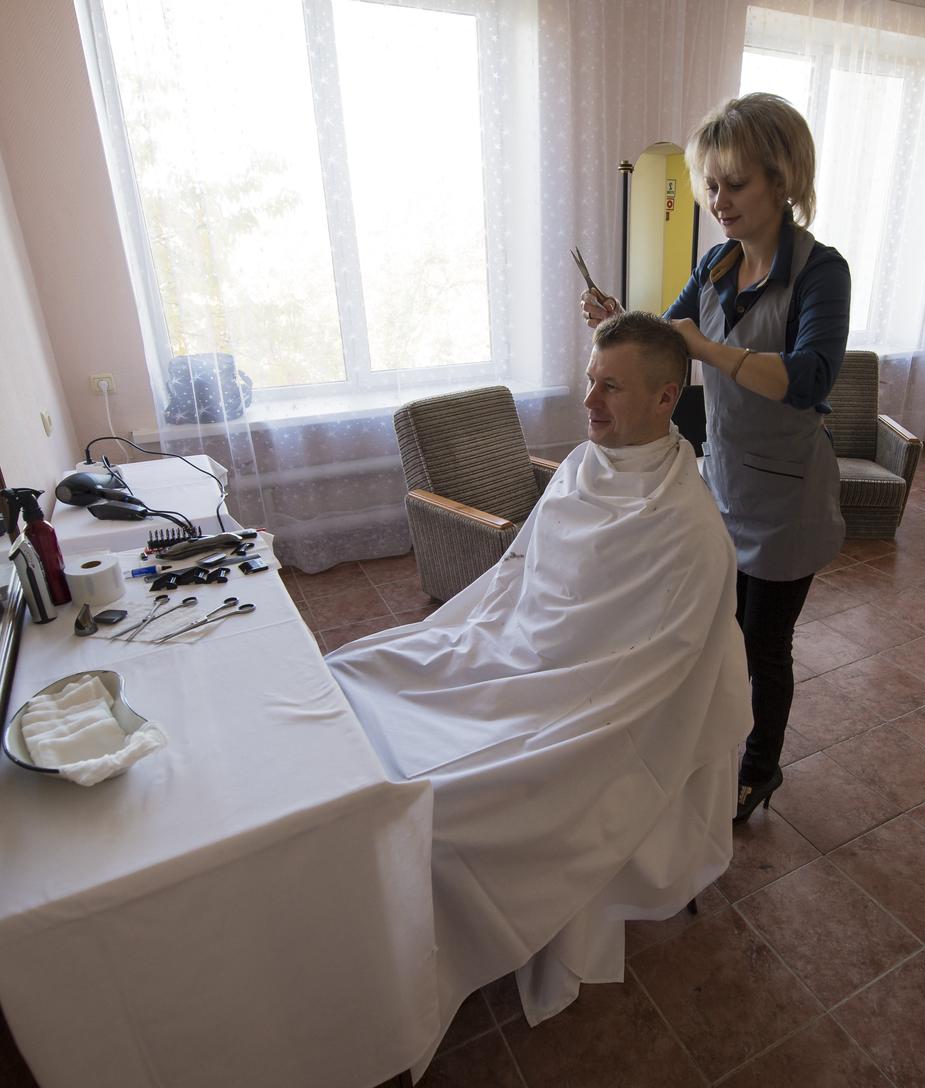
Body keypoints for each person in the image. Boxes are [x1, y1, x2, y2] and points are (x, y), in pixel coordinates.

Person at [328, 313, 751, 1068]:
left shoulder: (690, 531)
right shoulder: (583, 467)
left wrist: (554, 706)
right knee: (358, 672)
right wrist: (483, 647)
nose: (589, 401)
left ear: (666, 399)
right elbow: (520, 581)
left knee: (441, 796)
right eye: (590, 380)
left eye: (611, 387)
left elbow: (657, 680)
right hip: (518, 655)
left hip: (593, 702)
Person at [582, 93, 850, 822]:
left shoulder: (820, 273)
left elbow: (808, 379)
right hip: (725, 480)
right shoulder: (717, 263)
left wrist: (704, 346)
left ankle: (759, 769)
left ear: (782, 180)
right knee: (717, 628)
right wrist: (619, 321)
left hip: (789, 495)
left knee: (766, 643)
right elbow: (668, 338)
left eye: (735, 184)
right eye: (712, 184)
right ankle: (714, 744)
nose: (718, 200)